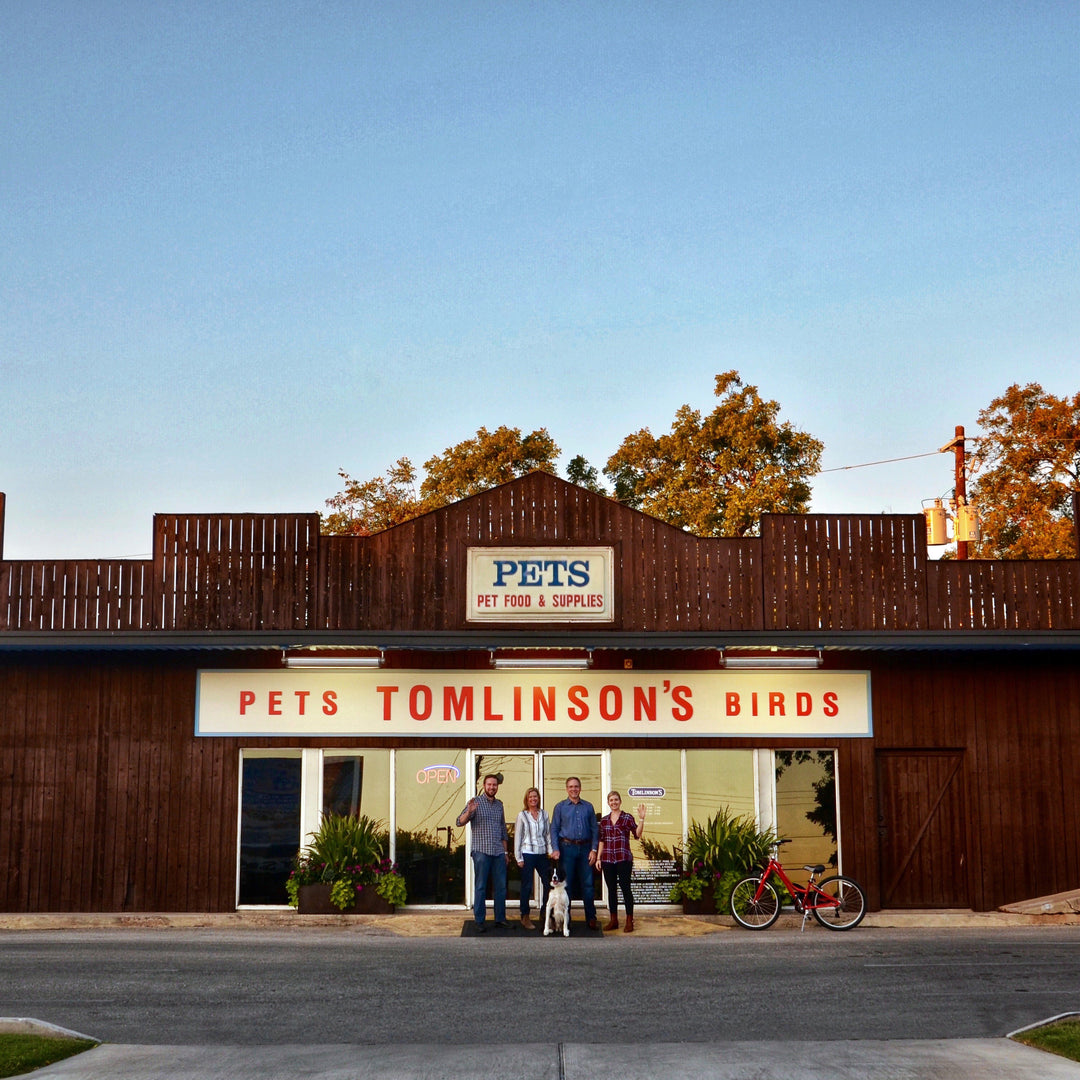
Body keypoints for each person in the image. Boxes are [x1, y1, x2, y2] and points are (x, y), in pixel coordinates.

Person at [457, 774, 509, 932]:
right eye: (489, 784)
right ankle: (479, 921)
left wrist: (506, 852)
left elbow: (503, 830)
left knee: (500, 887)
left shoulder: (499, 805)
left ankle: (500, 919)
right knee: (480, 886)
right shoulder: (475, 802)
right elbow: (459, 822)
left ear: (497, 787)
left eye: (494, 785)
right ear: (484, 785)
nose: (492, 787)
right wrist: (469, 811)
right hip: (481, 851)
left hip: (499, 851)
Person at [549, 776, 600, 931]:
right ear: (567, 789)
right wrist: (555, 848)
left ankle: (591, 918)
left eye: (576, 786)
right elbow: (554, 829)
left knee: (588, 885)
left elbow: (594, 830)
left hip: (585, 849)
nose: (574, 789)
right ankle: (566, 920)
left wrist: (594, 849)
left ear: (580, 788)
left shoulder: (588, 807)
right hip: (567, 848)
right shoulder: (560, 807)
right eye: (571, 786)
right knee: (567, 885)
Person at [597, 791, 646, 933]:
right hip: (607, 859)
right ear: (608, 803)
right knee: (611, 890)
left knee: (625, 889)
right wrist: (599, 858)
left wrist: (642, 819)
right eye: (611, 800)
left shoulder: (627, 818)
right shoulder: (604, 821)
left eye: (616, 800)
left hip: (623, 858)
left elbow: (637, 834)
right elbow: (601, 840)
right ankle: (614, 920)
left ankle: (629, 920)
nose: (614, 802)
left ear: (620, 801)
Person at [514, 787, 553, 931]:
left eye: (535, 797)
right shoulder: (522, 815)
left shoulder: (544, 814)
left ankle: (544, 913)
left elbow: (547, 835)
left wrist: (550, 851)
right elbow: (517, 837)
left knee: (549, 884)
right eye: (530, 797)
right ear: (527, 799)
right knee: (527, 886)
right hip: (527, 853)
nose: (533, 799)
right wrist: (518, 857)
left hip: (542, 853)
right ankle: (525, 916)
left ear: (538, 798)